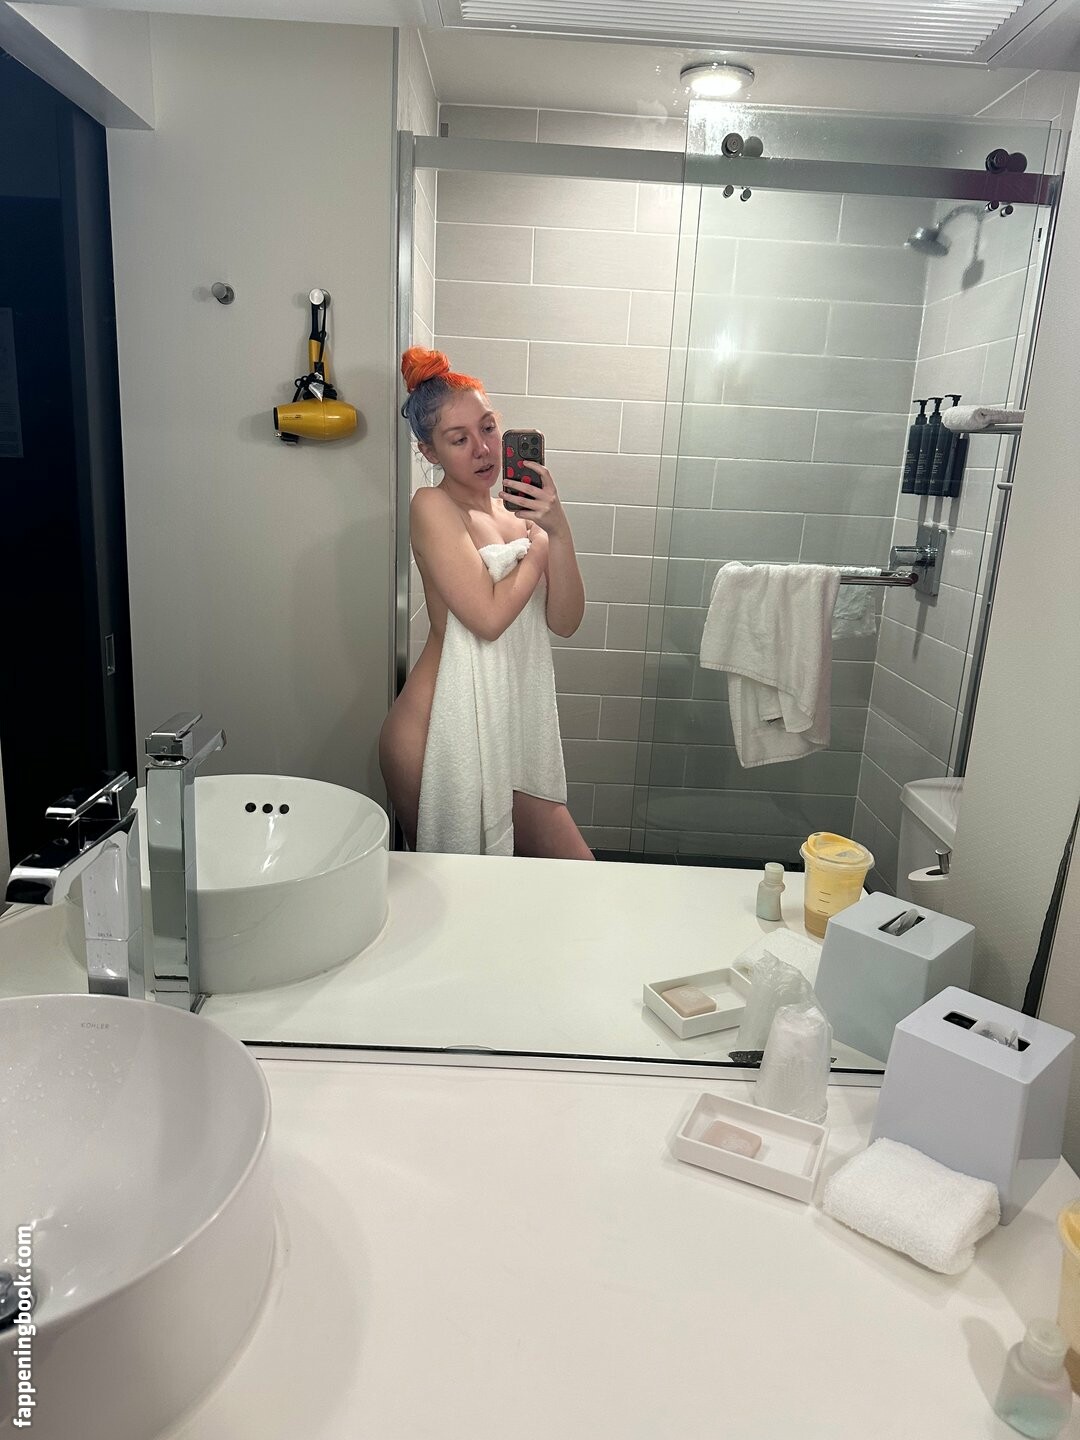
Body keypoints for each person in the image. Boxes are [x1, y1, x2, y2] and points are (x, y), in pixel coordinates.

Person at [379, 347, 595, 861]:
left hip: (506, 724)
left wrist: (559, 531)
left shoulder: (521, 518)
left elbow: (565, 621)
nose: (483, 449)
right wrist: (538, 549)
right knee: (453, 895)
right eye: (459, 439)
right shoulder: (432, 505)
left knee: (577, 875)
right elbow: (488, 619)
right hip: (436, 731)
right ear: (430, 453)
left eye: (489, 428)